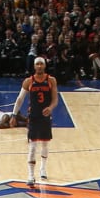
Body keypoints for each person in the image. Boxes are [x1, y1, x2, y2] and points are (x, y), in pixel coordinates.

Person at [18, 57, 58, 188]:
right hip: (33, 117)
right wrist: (14, 114)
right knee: (32, 146)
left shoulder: (51, 80)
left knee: (45, 144)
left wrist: (50, 108)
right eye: (37, 64)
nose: (39, 66)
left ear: (44, 66)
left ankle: (43, 169)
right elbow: (20, 99)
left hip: (45, 117)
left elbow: (55, 99)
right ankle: (30, 175)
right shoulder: (28, 81)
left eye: (41, 64)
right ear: (34, 66)